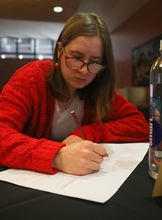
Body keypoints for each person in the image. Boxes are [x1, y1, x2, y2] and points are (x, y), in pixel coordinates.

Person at [0, 13, 149, 176]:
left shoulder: (98, 87)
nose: (84, 71)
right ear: (59, 50)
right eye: (76, 57)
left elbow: (140, 126)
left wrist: (90, 132)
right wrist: (58, 156)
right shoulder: (32, 77)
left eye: (94, 62)